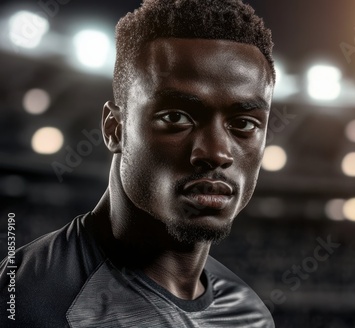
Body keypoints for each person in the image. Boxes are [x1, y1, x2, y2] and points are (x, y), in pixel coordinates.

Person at [0, 0, 276, 326]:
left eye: (244, 124)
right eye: (175, 117)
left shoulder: (251, 316)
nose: (216, 153)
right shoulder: (26, 299)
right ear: (114, 129)